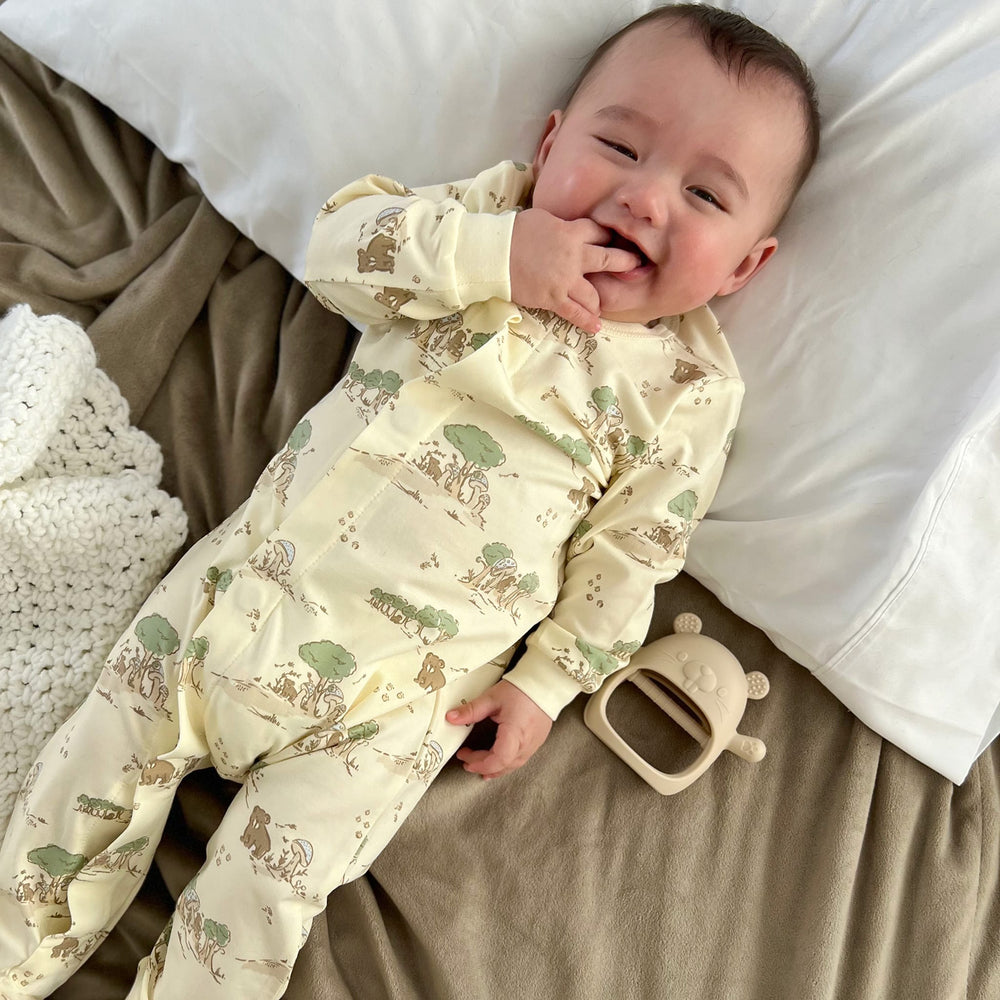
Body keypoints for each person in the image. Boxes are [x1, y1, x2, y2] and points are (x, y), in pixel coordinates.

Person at [0, 5, 820, 998]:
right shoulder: (482, 219)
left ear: (744, 265)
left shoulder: (686, 391)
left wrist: (545, 684)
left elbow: (633, 553)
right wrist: (496, 254)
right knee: (84, 775)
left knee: (258, 905)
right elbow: (340, 249)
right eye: (618, 146)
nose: (644, 199)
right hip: (234, 595)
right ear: (550, 143)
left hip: (392, 700)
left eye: (703, 194)